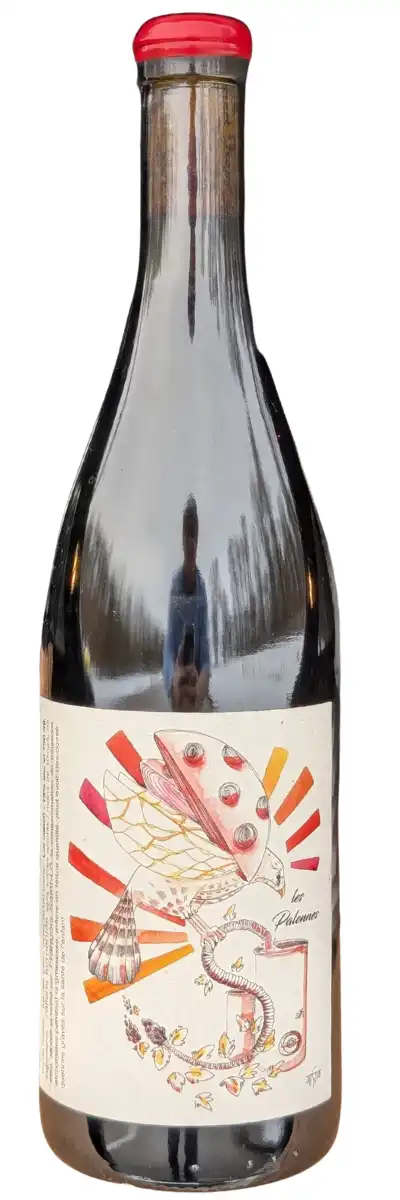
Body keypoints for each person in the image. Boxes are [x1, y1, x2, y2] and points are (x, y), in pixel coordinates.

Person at [163, 496, 210, 710]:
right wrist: (172, 679)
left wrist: (204, 677)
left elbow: (204, 641)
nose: (191, 542)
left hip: (195, 681)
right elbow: (170, 640)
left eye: (194, 535)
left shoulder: (202, 588)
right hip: (178, 679)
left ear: (198, 540)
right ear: (182, 540)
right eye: (187, 535)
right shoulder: (175, 586)